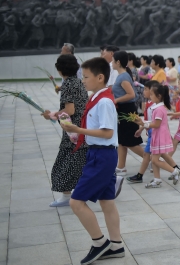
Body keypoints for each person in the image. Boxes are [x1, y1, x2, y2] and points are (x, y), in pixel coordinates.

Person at [59, 57, 124, 263]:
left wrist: (78, 129)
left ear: (100, 77)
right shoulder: (97, 97)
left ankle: (99, 242)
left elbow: (107, 132)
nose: (83, 81)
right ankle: (116, 245)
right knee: (107, 202)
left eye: (86, 77)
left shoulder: (104, 101)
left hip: (102, 155)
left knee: (76, 202)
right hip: (99, 153)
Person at [42, 54, 88, 207]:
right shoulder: (79, 83)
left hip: (72, 131)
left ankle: (66, 196)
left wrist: (53, 115)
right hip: (81, 128)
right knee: (80, 163)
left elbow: (70, 110)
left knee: (63, 165)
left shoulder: (68, 84)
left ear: (60, 70)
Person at [142, 85, 180, 188]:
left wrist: (144, 124)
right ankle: (157, 180)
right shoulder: (158, 108)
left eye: (151, 94)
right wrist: (143, 122)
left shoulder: (159, 109)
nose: (150, 96)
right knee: (154, 158)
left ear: (159, 96)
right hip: (158, 136)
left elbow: (156, 124)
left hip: (160, 136)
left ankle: (174, 171)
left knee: (155, 160)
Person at [111, 51, 143, 177]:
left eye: (113, 61)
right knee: (122, 140)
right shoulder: (122, 75)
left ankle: (150, 159)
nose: (112, 63)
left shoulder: (123, 76)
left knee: (130, 141)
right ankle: (121, 167)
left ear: (118, 62)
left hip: (127, 110)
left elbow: (131, 95)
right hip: (123, 110)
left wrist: (116, 100)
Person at [126, 81, 159, 183]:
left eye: (146, 89)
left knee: (151, 156)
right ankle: (173, 170)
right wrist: (140, 129)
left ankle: (174, 170)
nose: (144, 91)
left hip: (154, 134)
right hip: (151, 134)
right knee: (152, 156)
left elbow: (155, 122)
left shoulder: (155, 106)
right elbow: (147, 120)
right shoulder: (149, 104)